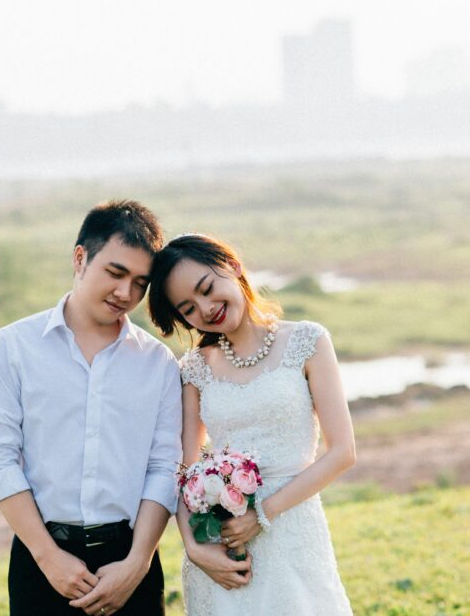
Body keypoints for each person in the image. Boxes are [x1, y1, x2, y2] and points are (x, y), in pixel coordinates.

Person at [0, 200, 186, 616]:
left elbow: (165, 466)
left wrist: (137, 563)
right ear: (80, 258)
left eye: (140, 283)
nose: (126, 293)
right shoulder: (12, 347)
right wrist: (47, 556)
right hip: (41, 560)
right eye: (115, 273)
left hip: (131, 562)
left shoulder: (158, 363)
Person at [147, 233, 356, 615]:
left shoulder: (307, 342)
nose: (206, 309)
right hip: (223, 547)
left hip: (292, 532)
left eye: (208, 289)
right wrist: (196, 547)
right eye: (189, 309)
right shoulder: (194, 369)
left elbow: (343, 452)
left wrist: (262, 515)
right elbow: (182, 468)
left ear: (233, 266)